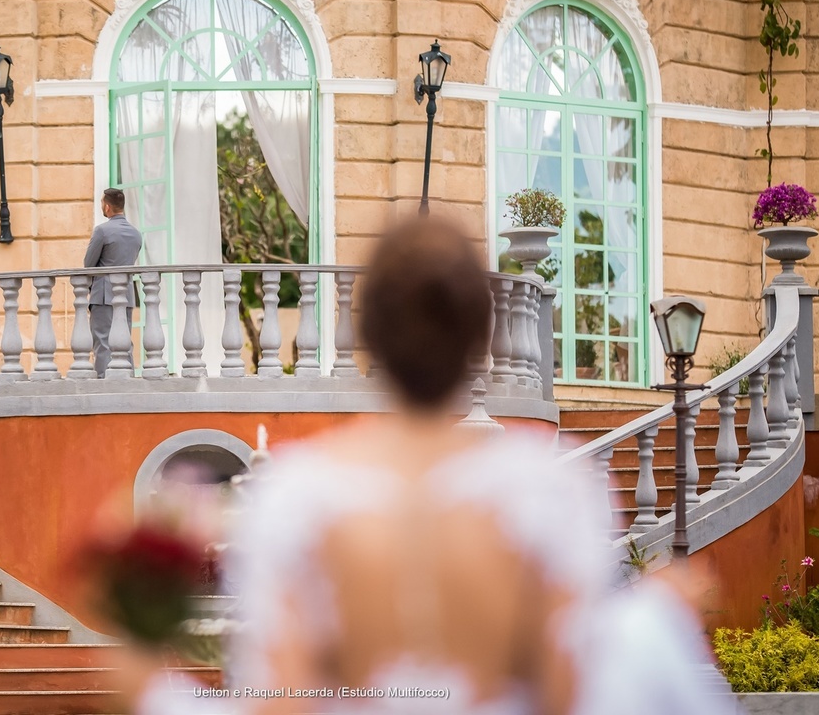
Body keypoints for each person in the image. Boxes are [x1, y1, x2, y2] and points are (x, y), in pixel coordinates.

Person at [109, 217, 738, 715]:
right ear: (480, 338)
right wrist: (651, 625)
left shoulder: (301, 494)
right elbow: (564, 696)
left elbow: (282, 703)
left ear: (370, 338)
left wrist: (142, 660)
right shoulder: (547, 491)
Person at [84, 187, 142, 378]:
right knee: (125, 342)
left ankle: (103, 380)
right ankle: (128, 380)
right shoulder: (136, 234)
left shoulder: (102, 231)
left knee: (103, 341)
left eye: (102, 203)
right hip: (126, 295)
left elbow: (88, 264)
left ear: (107, 207)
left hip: (103, 295)